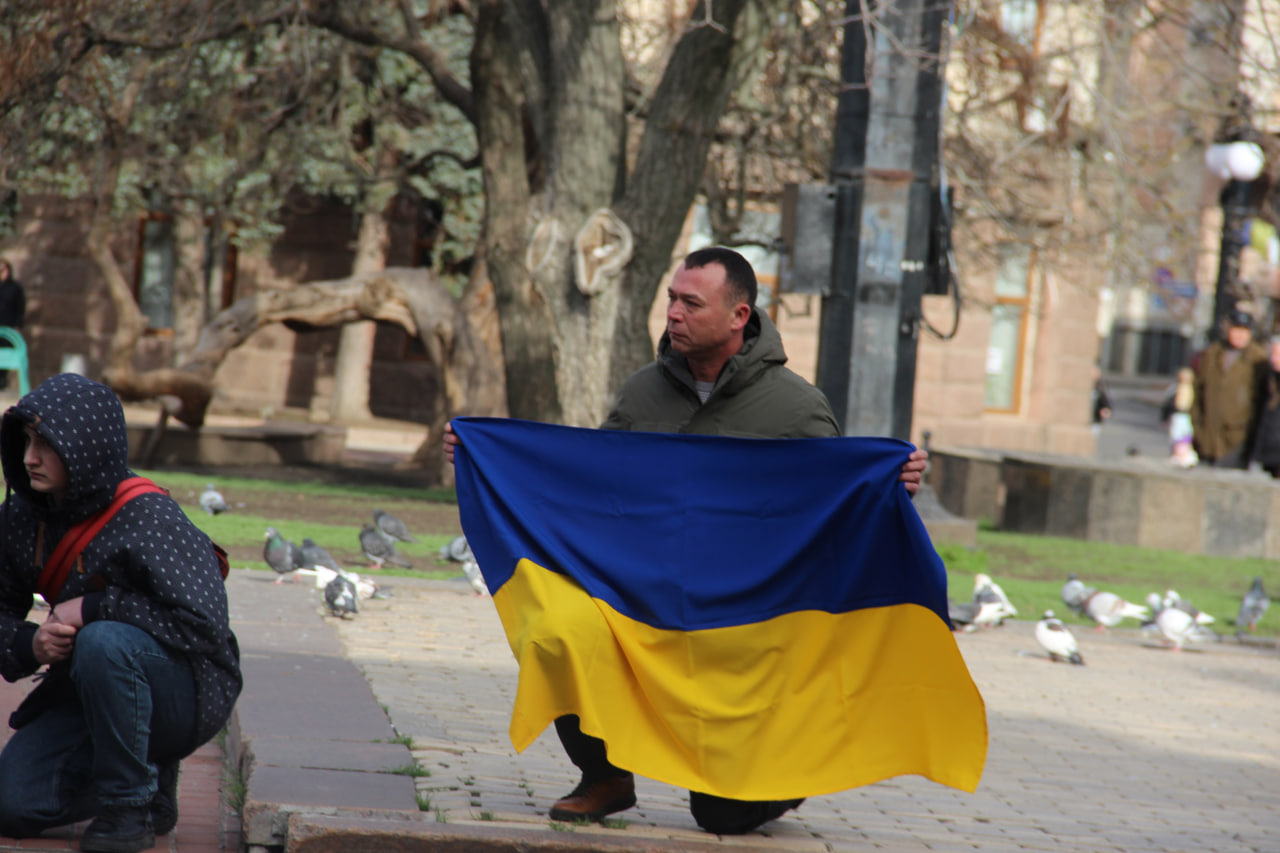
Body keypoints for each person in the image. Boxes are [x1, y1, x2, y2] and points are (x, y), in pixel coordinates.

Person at [445, 246, 926, 834]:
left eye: (690, 303)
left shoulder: (796, 409)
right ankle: (605, 777)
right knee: (558, 627)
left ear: (738, 316)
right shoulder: (642, 392)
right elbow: (591, 485)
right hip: (638, 599)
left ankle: (783, 776)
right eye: (671, 299)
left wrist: (892, 485)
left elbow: (834, 507)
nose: (673, 312)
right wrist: (486, 459)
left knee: (721, 816)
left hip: (743, 621)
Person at [0, 374, 242, 853]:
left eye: (46, 444)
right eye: (27, 441)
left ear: (85, 446)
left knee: (102, 641)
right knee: (14, 805)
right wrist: (29, 643)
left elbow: (205, 627)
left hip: (183, 691)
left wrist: (93, 608)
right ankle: (148, 780)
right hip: (90, 689)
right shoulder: (22, 518)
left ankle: (129, 808)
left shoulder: (149, 517)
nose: (30, 458)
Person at [1190, 307, 1267, 468]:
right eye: (1236, 329)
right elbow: (1198, 392)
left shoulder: (1257, 359)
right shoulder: (1213, 354)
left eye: (1244, 331)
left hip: (1236, 438)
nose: (1239, 335)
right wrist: (1197, 427)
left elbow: (1262, 401)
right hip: (1207, 435)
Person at [1250, 336, 1280, 477]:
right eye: (1272, 354)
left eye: (1278, 355)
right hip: (1269, 454)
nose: (1273, 359)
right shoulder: (1270, 379)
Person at [0, 258, 26, 391]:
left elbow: (20, 308)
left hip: (8, 327)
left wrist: (18, 325)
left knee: (6, 355)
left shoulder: (15, 288)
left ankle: (2, 380)